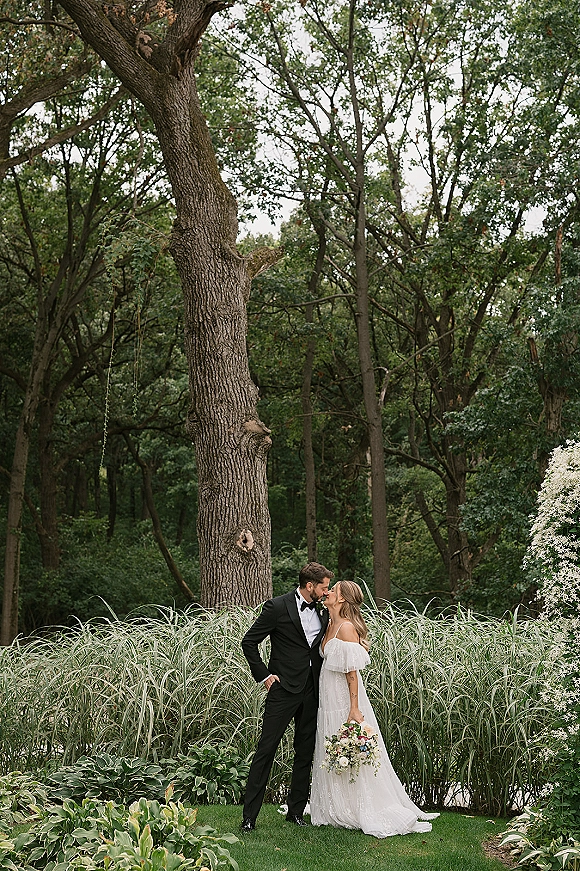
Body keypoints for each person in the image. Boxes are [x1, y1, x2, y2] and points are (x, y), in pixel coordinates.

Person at [310, 580, 439, 837]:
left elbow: (352, 674)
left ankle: (357, 805)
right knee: (331, 746)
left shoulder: (346, 628)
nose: (327, 593)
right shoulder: (329, 623)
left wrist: (354, 708)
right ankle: (333, 802)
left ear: (342, 599)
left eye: (332, 591)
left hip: (344, 699)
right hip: (327, 697)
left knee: (348, 748)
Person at [240, 562, 332, 832]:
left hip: (313, 690)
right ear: (310, 585)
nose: (326, 592)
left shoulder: (323, 611)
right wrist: (265, 676)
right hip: (282, 691)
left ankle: (295, 812)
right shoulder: (277, 607)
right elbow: (249, 642)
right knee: (266, 750)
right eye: (324, 587)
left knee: (304, 753)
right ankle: (249, 818)